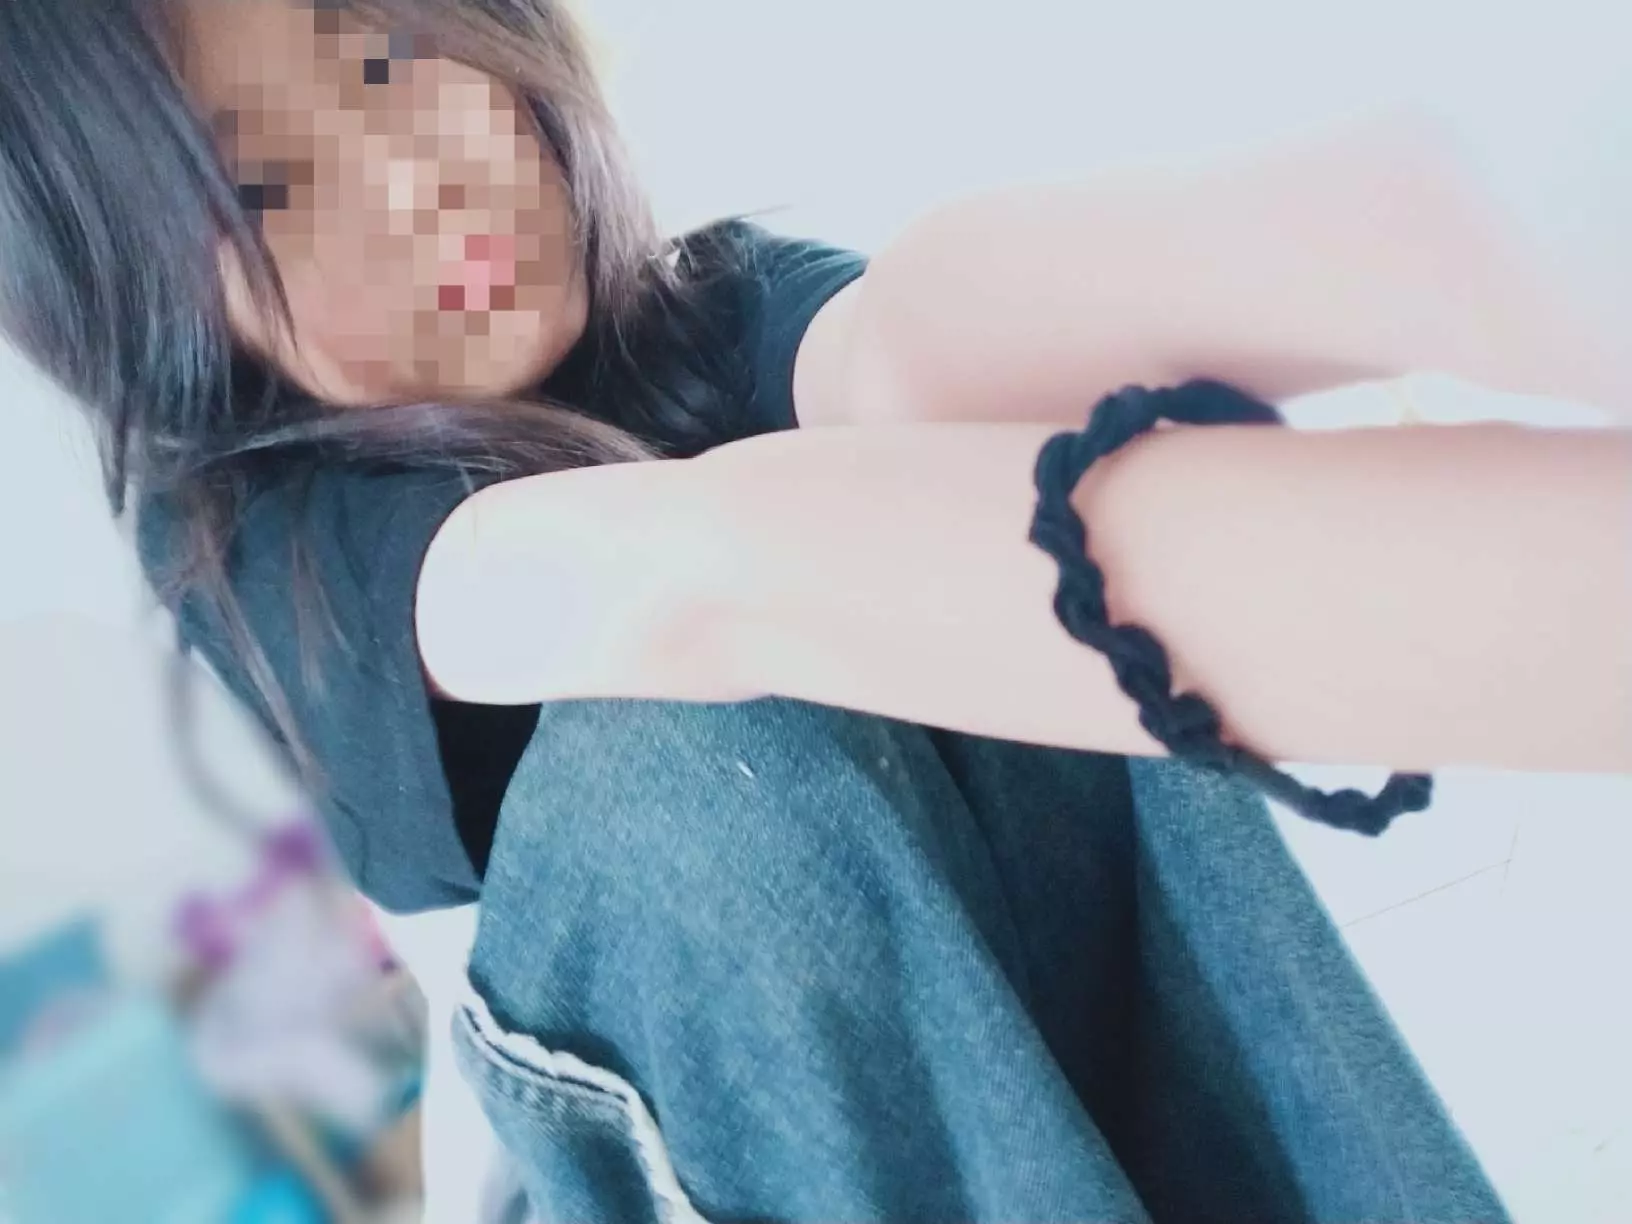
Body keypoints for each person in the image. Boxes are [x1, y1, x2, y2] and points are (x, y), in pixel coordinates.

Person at [2, 0, 1627, 1219]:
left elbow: (909, 345)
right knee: (694, 740)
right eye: (268, 193)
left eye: (383, 59)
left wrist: (1446, 238)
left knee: (930, 457)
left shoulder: (700, 313)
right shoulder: (263, 558)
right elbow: (683, 586)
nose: (412, 184)